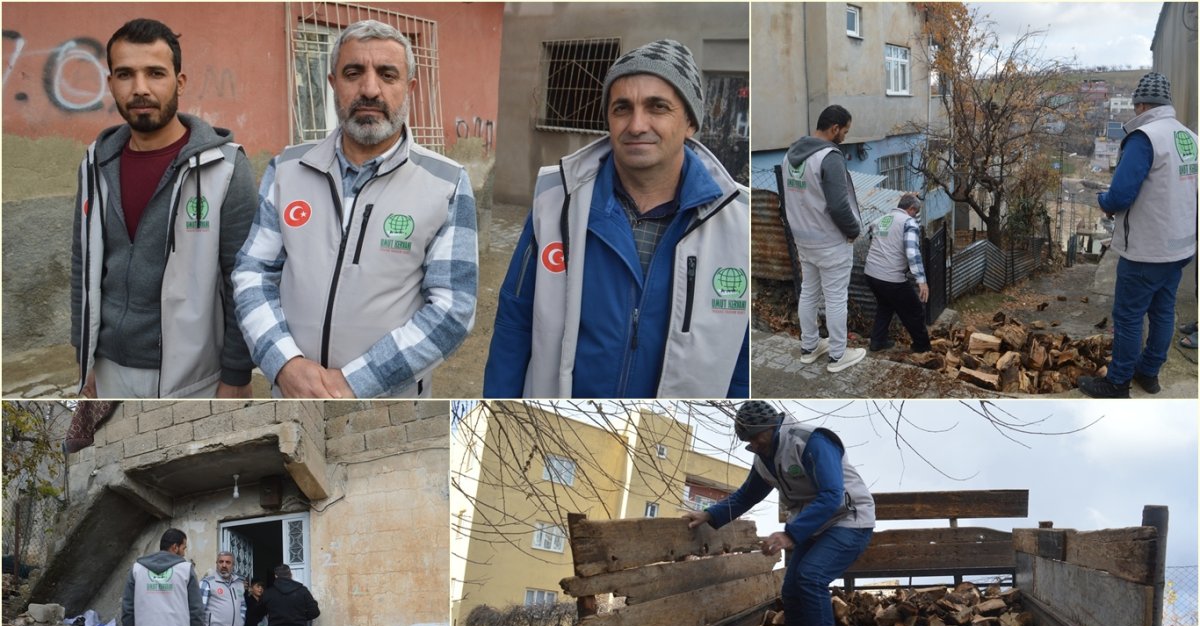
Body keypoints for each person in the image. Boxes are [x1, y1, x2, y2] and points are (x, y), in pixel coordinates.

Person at [483, 39, 750, 398]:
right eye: (622, 108)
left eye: (658, 107)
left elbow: (742, 360)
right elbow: (515, 322)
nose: (637, 125)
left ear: (690, 122)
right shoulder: (556, 201)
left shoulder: (736, 221)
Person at [233, 20, 477, 399]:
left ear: (409, 88)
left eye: (387, 74)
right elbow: (253, 273)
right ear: (333, 83)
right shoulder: (286, 170)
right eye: (353, 73)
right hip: (291, 397)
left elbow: (452, 309)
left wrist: (354, 382)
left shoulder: (446, 182)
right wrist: (285, 364)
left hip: (387, 408)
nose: (369, 89)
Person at [72, 18, 257, 399]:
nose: (140, 88)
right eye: (125, 74)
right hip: (108, 370)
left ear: (179, 81)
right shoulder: (94, 163)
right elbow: (83, 265)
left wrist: (236, 376)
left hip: (195, 378)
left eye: (155, 73)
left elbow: (243, 280)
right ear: (110, 84)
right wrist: (85, 361)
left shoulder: (224, 168)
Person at [682, 401, 875, 626]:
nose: (754, 445)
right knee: (791, 589)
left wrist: (790, 534)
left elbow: (833, 495)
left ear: (773, 426)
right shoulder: (764, 457)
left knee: (811, 577)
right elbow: (748, 495)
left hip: (849, 519)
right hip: (812, 526)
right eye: (748, 441)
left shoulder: (812, 441)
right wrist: (711, 514)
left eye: (757, 437)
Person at [1079, 72, 1198, 398]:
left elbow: (1119, 196)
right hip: (1180, 246)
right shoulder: (1188, 137)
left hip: (1147, 249)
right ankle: (1149, 373)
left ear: (1142, 104)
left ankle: (1117, 382)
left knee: (1129, 316)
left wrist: (1103, 201)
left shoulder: (1144, 138)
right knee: (1163, 311)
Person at [778, 105, 866, 373]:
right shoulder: (830, 157)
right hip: (830, 241)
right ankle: (838, 356)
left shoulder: (790, 156)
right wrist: (853, 231)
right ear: (834, 128)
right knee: (836, 297)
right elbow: (839, 206)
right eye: (845, 131)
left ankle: (809, 348)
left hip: (803, 240)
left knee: (809, 293)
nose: (845, 137)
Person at [863, 193, 932, 353]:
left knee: (885, 306)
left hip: (871, 273)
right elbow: (912, 251)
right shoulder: (909, 222)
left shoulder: (882, 219)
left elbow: (870, 232)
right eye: (916, 212)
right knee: (914, 310)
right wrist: (921, 281)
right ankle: (922, 347)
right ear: (911, 209)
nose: (916, 216)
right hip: (890, 277)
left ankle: (877, 342)